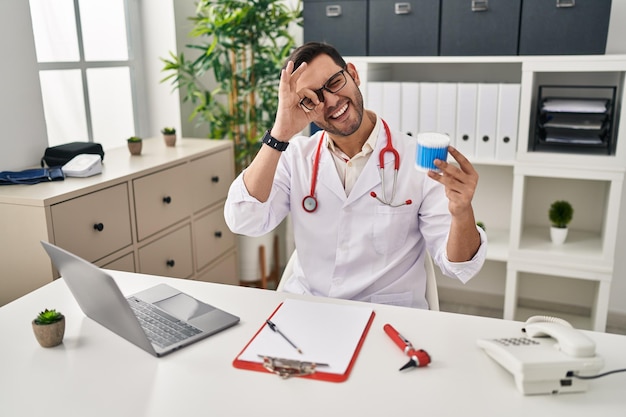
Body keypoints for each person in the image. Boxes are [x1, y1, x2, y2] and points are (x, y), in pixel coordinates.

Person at [224, 42, 487, 309]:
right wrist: (279, 134)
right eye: (312, 98)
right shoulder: (295, 157)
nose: (331, 101)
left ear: (353, 74)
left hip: (389, 318)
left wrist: (462, 212)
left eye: (335, 82)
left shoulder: (415, 160)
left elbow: (459, 266)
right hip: (310, 311)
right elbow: (244, 220)